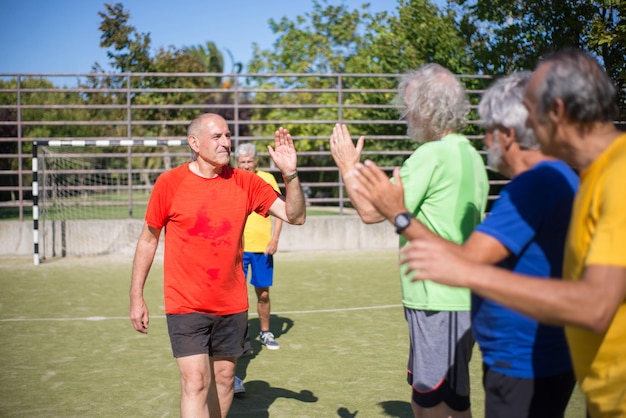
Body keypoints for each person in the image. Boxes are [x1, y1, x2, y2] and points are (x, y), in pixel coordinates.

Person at [392, 49, 626, 418]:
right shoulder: (591, 173)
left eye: (529, 108)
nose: (520, 123)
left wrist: (469, 273)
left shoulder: (614, 176)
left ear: (558, 111)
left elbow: (595, 305)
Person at [347, 72, 579, 417]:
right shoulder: (476, 158)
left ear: (510, 134)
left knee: (443, 403)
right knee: (431, 399)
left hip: (450, 306)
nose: (486, 140)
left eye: (490, 130)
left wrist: (349, 168)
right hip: (476, 313)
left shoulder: (440, 158)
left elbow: (371, 212)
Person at [330, 63, 490, 418]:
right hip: (453, 297)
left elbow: (373, 212)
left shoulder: (430, 155)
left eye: (408, 104)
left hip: (439, 298)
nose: (405, 113)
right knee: (440, 398)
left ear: (427, 107)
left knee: (435, 403)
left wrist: (347, 167)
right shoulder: (470, 154)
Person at [129, 113, 306, 418]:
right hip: (185, 304)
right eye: (217, 137)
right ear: (194, 143)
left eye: (227, 136)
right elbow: (148, 240)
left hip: (231, 304)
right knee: (196, 382)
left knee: (224, 381)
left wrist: (290, 175)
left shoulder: (246, 182)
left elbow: (295, 216)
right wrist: (136, 295)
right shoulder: (169, 183)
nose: (226, 142)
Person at [236, 143, 283, 350]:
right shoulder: (231, 178)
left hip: (262, 248)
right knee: (236, 296)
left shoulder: (268, 179)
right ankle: (240, 339)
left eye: (249, 161)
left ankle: (265, 332)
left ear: (256, 162)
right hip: (237, 248)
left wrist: (275, 239)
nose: (246, 166)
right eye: (242, 162)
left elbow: (280, 209)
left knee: (263, 293)